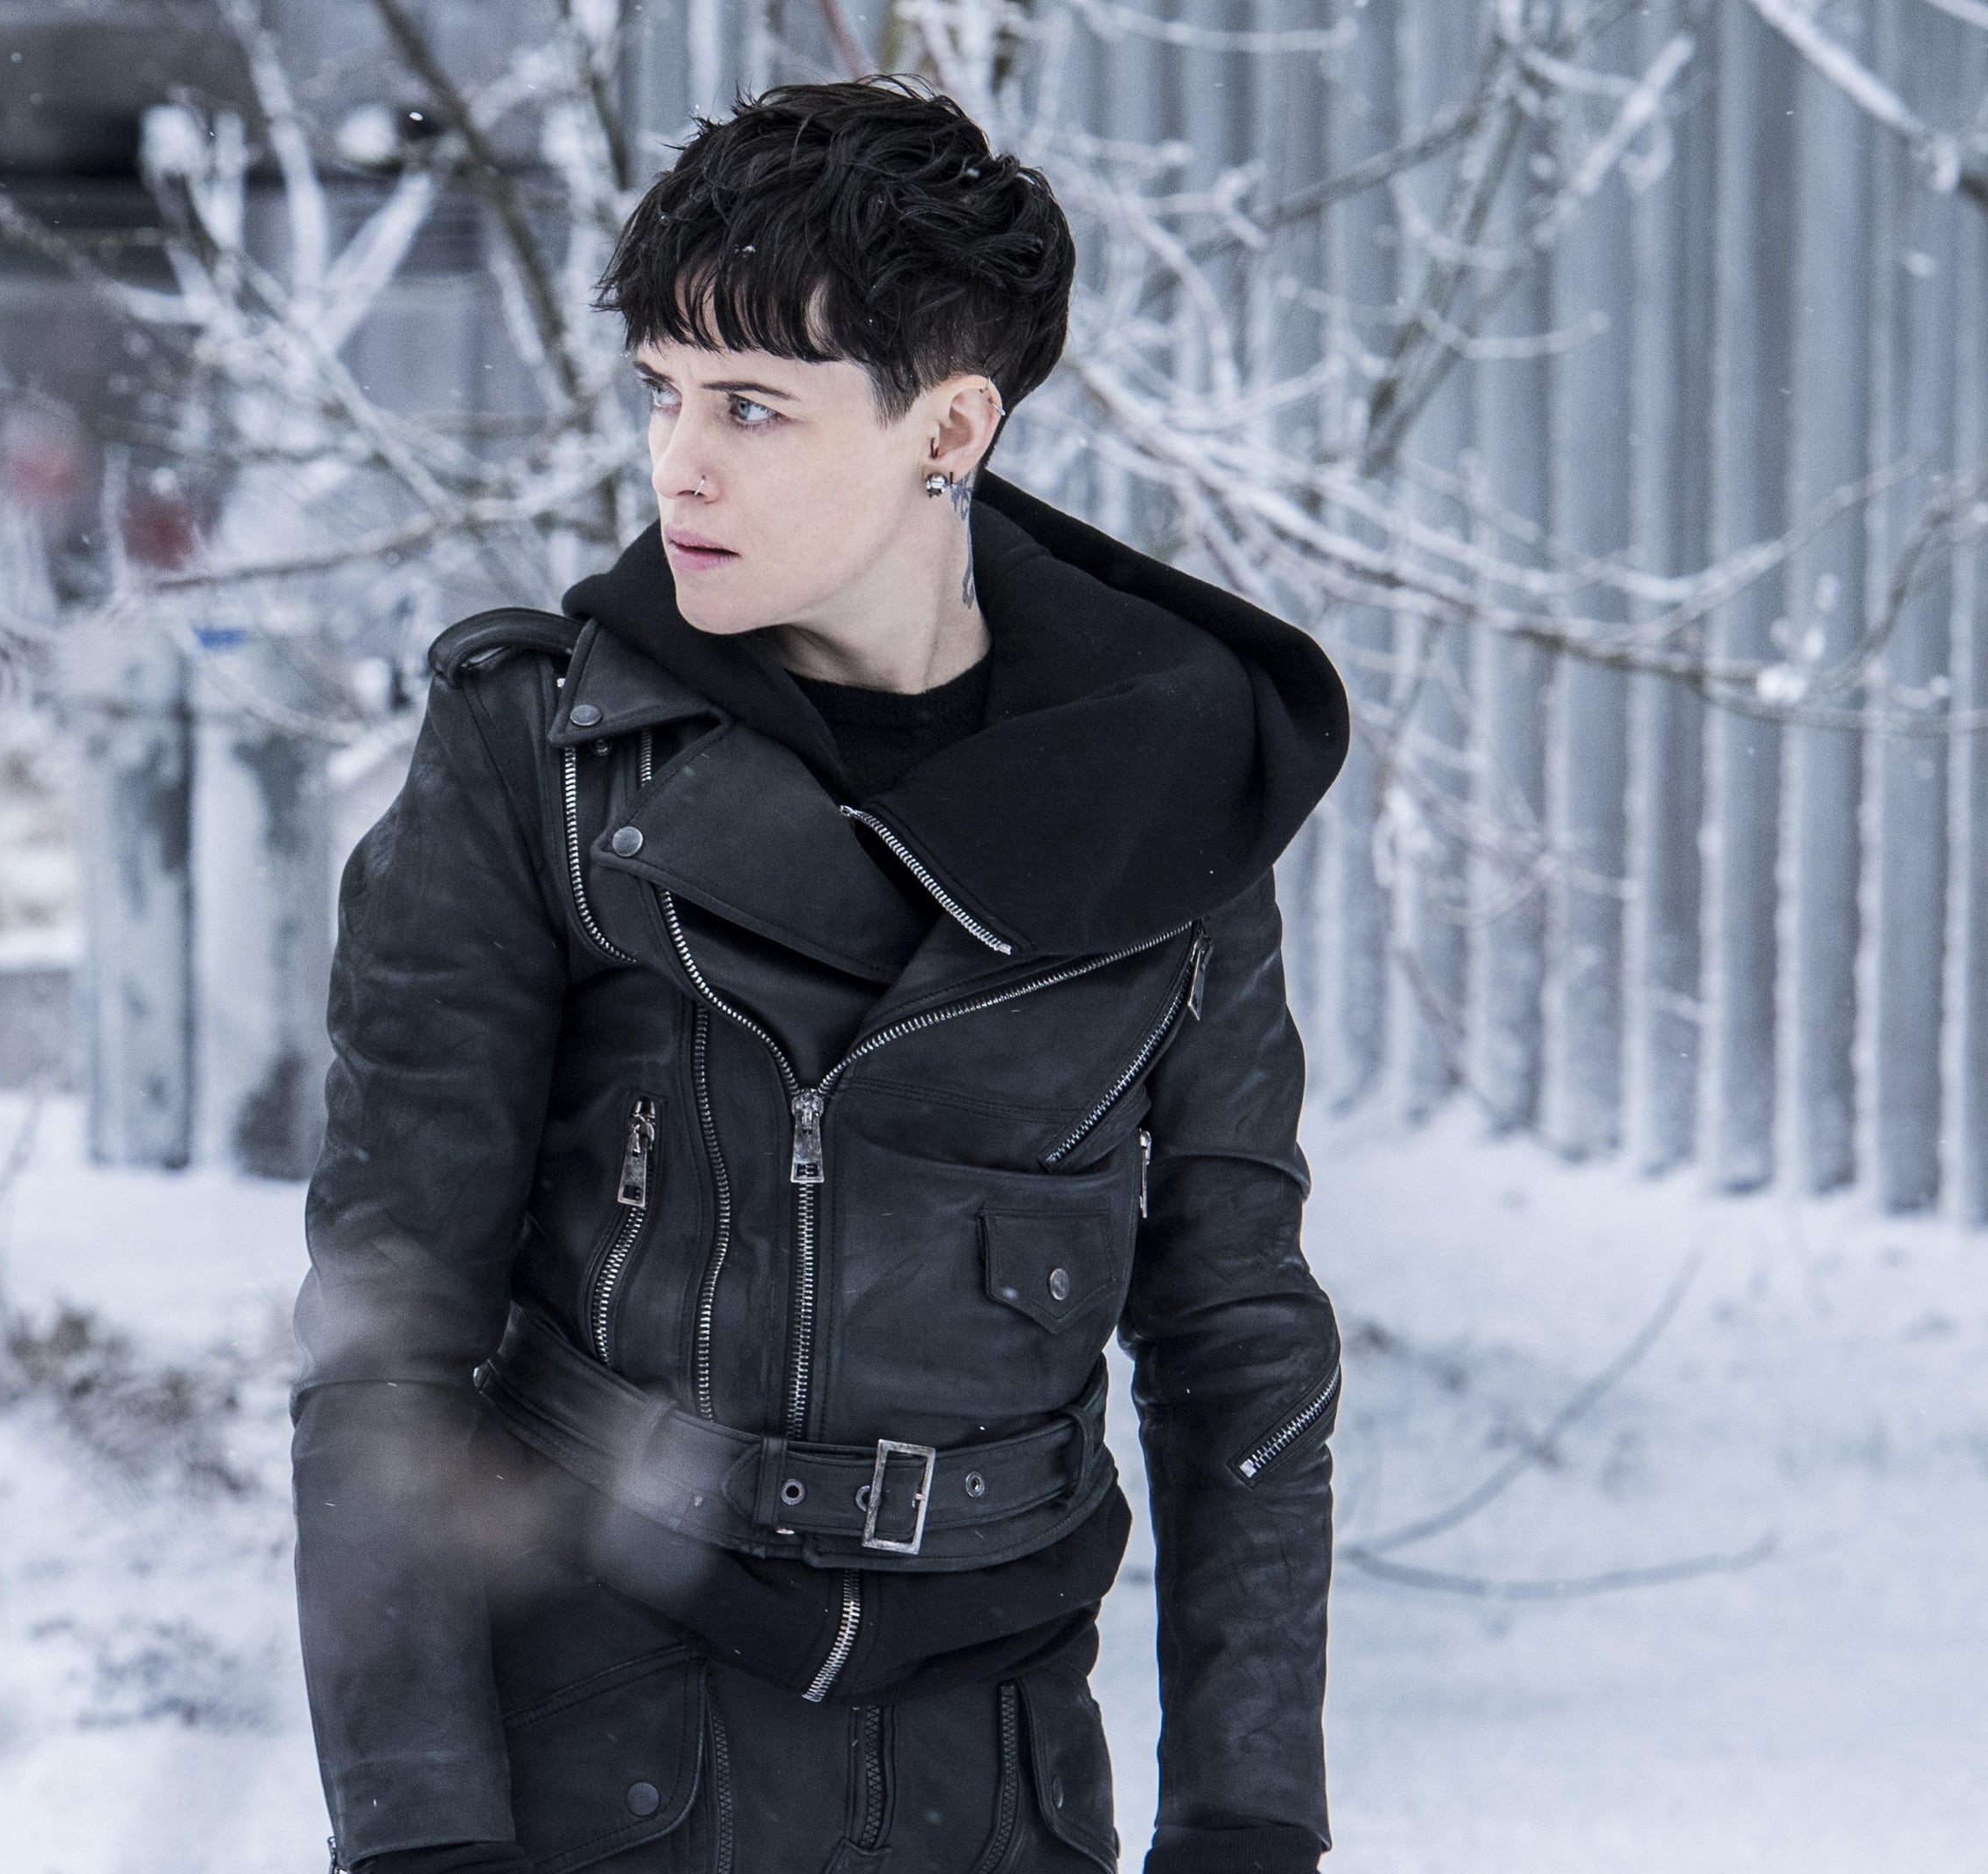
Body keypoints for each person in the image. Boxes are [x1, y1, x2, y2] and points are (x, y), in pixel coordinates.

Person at [291, 78, 1348, 1874]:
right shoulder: (543, 757)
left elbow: (1236, 1332)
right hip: (607, 1746)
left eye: (753, 407)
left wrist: (1246, 1819)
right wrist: (419, 1838)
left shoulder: (1174, 784)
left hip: (1001, 1767)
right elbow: (388, 1336)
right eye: (664, 392)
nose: (678, 465)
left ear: (950, 426)